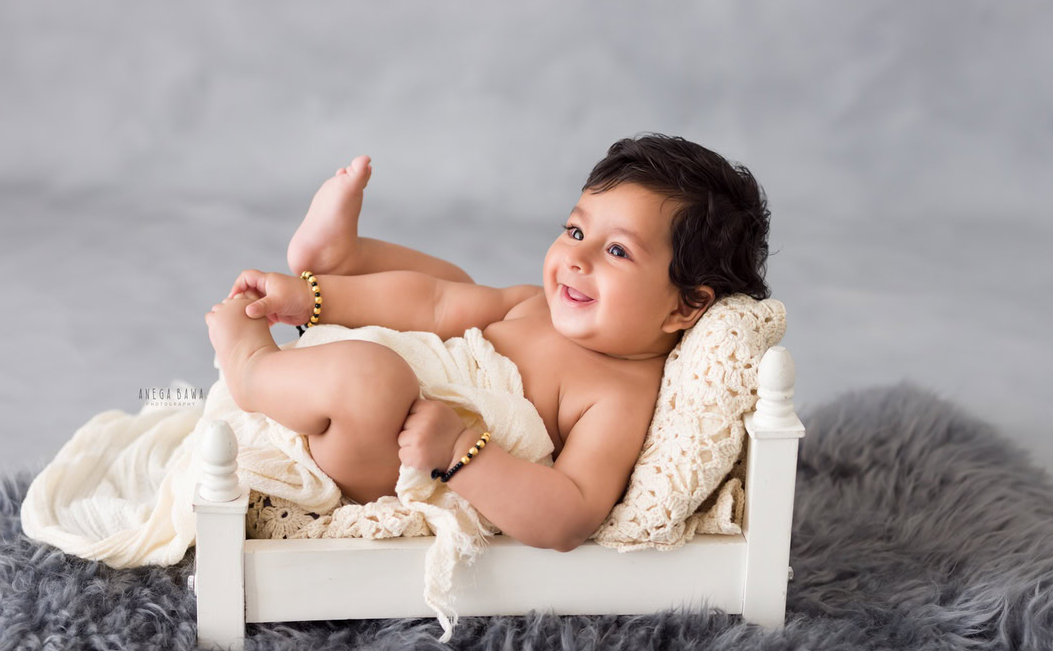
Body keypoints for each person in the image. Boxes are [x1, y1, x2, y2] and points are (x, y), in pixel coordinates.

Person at [204, 133, 772, 552]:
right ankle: (334, 266)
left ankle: (251, 365)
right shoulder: (536, 302)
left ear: (686, 305)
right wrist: (313, 300)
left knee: (375, 379)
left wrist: (460, 453)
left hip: (383, 448)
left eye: (617, 251)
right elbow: (431, 305)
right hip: (382, 369)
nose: (575, 257)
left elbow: (570, 513)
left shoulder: (620, 395)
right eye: (576, 231)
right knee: (455, 287)